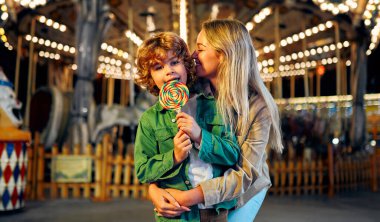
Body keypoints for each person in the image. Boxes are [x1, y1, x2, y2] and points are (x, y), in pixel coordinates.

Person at [148, 19, 283, 222]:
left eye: (200, 48)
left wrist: (186, 197)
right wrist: (154, 190)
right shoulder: (188, 91)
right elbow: (160, 146)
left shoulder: (258, 107)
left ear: (223, 55)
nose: (193, 54)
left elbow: (244, 175)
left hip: (243, 191)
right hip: (201, 186)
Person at [134, 32, 240, 221]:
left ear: (186, 65)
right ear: (150, 77)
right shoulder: (149, 120)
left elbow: (232, 155)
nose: (169, 71)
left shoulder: (214, 106)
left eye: (174, 62)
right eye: (158, 67)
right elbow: (143, 171)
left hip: (214, 208)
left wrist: (200, 136)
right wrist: (173, 156)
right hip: (176, 213)